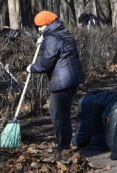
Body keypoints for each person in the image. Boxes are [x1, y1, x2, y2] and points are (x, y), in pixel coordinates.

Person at [28, 11, 85, 151]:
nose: (39, 29)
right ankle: (63, 143)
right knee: (60, 112)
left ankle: (63, 146)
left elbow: (46, 62)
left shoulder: (52, 38)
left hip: (63, 81)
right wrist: (43, 42)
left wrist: (32, 68)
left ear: (47, 24)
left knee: (58, 114)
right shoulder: (63, 32)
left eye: (40, 26)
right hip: (71, 78)